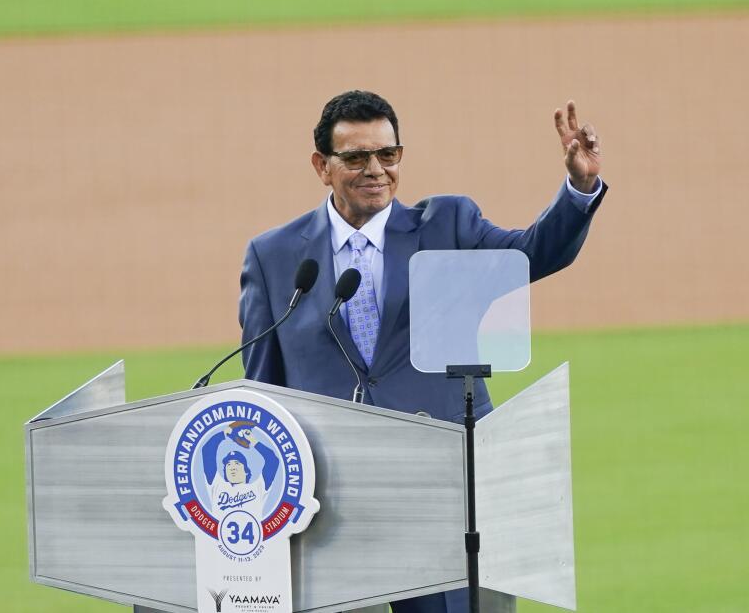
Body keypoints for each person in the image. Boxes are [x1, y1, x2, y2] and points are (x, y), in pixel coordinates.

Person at [237, 91, 605, 613]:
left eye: (388, 155)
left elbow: (531, 254)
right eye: (357, 157)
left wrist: (579, 188)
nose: (376, 170)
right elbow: (263, 387)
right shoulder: (273, 256)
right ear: (322, 166)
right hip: (330, 506)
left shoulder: (447, 225)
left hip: (441, 494)